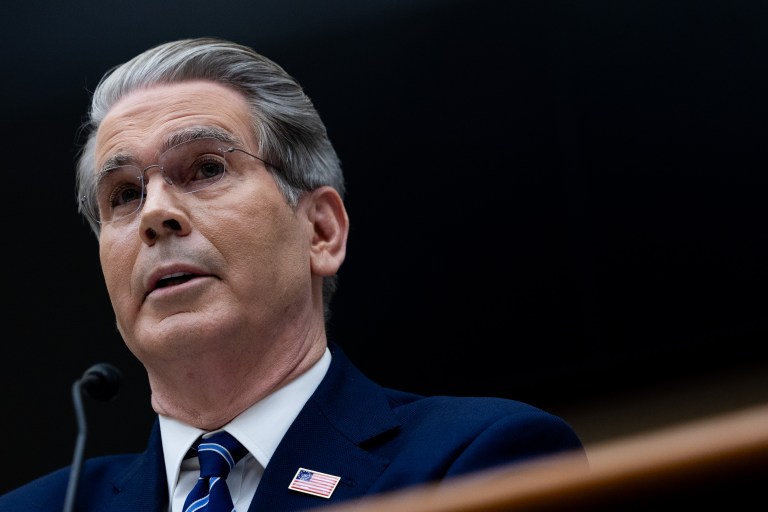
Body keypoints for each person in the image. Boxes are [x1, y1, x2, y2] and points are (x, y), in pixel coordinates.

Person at [0, 37, 586, 511]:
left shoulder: (475, 460)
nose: (155, 213)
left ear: (321, 231)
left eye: (206, 168)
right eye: (125, 194)